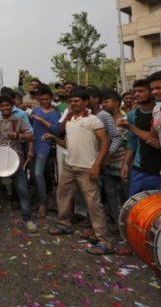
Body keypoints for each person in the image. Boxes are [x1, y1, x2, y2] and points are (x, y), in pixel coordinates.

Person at [44, 88, 113, 255]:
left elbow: (105, 141)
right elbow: (68, 144)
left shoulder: (93, 120)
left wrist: (97, 165)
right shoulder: (70, 121)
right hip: (69, 165)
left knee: (93, 203)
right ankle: (64, 225)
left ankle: (104, 241)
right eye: (71, 101)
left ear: (85, 102)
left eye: (76, 101)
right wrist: (54, 138)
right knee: (63, 195)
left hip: (87, 167)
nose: (72, 104)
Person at [0, 95, 35, 232]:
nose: (5, 108)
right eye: (2, 106)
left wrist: (18, 136)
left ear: (12, 106)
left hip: (14, 160)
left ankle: (28, 219)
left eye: (7, 105)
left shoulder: (18, 120)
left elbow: (31, 136)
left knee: (22, 190)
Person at [119, 79, 161, 195]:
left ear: (152, 92)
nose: (136, 94)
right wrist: (125, 163)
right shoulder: (132, 115)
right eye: (135, 91)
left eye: (141, 91)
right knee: (136, 203)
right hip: (140, 167)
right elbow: (131, 142)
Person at [29, 84, 61, 218]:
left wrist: (42, 120)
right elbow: (29, 129)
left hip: (45, 145)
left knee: (37, 174)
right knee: (34, 175)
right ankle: (43, 198)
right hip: (32, 144)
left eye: (46, 99)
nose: (44, 102)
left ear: (51, 98)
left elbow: (57, 130)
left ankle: (43, 203)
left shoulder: (55, 113)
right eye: (41, 99)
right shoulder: (35, 111)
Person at [101, 90, 128, 225]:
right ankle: (116, 222)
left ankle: (127, 223)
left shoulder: (126, 119)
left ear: (116, 103)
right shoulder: (104, 120)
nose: (103, 105)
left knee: (126, 196)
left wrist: (126, 163)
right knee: (110, 194)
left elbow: (129, 144)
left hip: (122, 164)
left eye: (106, 102)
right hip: (107, 165)